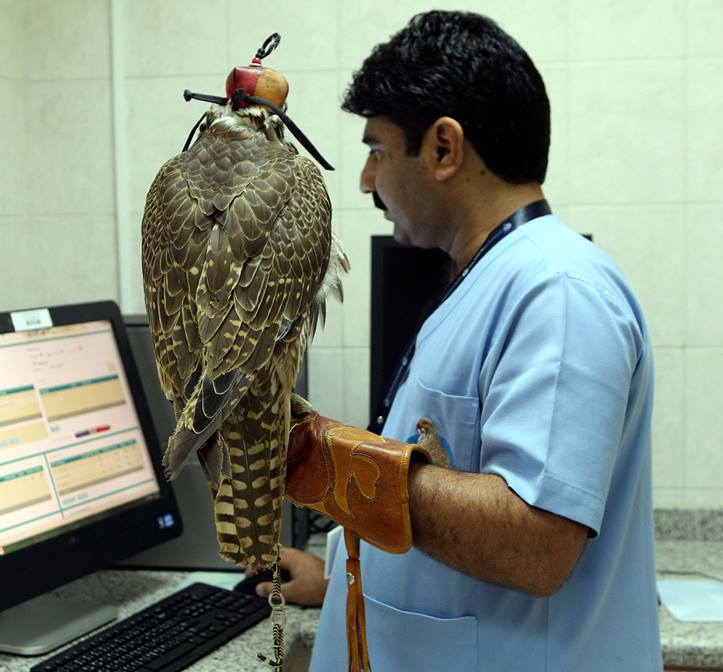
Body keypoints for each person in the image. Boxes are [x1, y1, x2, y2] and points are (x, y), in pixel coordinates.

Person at [247, 10, 663, 671]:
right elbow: (440, 495)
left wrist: (317, 460)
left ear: (443, 148)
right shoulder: (485, 279)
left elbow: (536, 543)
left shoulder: (556, 289)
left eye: (377, 150)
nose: (364, 180)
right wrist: (337, 580)